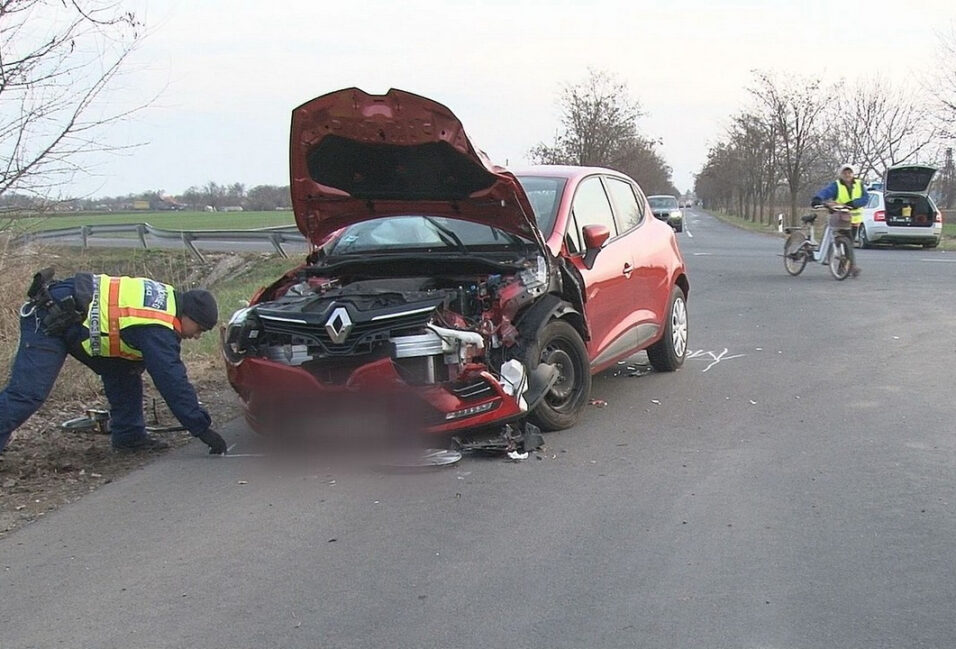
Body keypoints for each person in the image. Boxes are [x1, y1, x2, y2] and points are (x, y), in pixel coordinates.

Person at [0, 271, 228, 455]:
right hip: (51, 316)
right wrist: (201, 428)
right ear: (188, 316)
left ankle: (130, 438)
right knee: (27, 394)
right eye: (199, 330)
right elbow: (171, 380)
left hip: (73, 313)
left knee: (124, 370)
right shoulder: (158, 326)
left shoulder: (168, 299)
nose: (197, 336)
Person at [812, 163, 868, 278]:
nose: (847, 175)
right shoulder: (836, 185)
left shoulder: (859, 184)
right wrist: (818, 198)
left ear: (853, 174)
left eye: (849, 172)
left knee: (849, 244)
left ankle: (845, 267)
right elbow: (825, 192)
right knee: (845, 242)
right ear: (841, 174)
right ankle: (850, 267)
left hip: (854, 220)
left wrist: (854, 203)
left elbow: (865, 198)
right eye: (845, 173)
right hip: (841, 219)